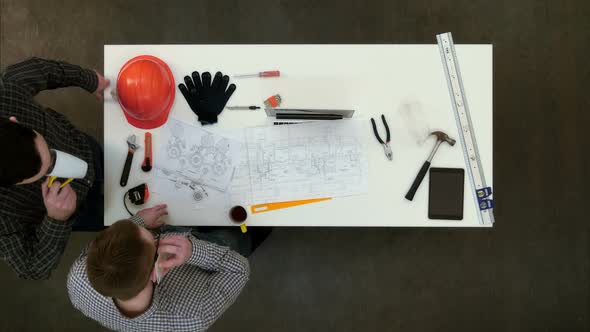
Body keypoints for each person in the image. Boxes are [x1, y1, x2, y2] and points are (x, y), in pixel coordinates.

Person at [0, 57, 109, 279]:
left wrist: (88, 79)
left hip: (82, 146)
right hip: (79, 208)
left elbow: (42, 69)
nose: (59, 163)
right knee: (113, 214)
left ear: (13, 120)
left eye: (49, 151)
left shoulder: (7, 92)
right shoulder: (3, 218)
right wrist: (56, 220)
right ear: (13, 185)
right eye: (46, 172)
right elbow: (32, 268)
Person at [67, 205, 251, 332]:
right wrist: (194, 251)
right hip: (215, 251)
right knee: (238, 235)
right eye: (155, 241)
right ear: (155, 272)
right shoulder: (193, 318)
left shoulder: (78, 278)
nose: (157, 235)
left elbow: (104, 244)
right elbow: (239, 269)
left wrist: (138, 221)